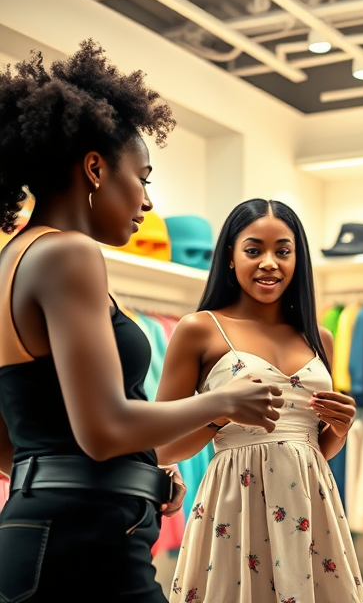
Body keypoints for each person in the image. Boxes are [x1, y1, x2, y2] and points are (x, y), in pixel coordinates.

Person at [0, 41, 284, 603]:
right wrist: (225, 401)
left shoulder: (12, 259)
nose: (147, 202)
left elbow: (12, 436)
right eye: (144, 177)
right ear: (95, 168)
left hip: (41, 532)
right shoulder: (68, 256)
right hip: (85, 545)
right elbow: (103, 429)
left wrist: (141, 469)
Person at [155, 199, 363, 603]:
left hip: (311, 502)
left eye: (283, 252)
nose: (270, 262)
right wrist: (220, 413)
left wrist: (339, 429)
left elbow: (314, 447)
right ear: (231, 258)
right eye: (254, 250)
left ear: (297, 260)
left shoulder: (320, 338)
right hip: (237, 503)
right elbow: (163, 447)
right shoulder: (200, 329)